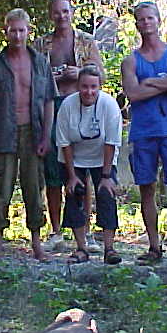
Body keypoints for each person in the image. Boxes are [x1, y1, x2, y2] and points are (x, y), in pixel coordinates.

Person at [0, 8, 55, 261]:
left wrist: (46, 135)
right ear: (6, 32)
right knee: (1, 188)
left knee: (34, 187)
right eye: (13, 30)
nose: (17, 35)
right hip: (3, 132)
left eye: (21, 30)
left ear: (28, 31)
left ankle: (36, 242)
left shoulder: (40, 62)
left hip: (33, 132)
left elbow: (48, 101)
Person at [34, 0, 106, 254]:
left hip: (81, 109)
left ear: (71, 12)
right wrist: (51, 76)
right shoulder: (41, 44)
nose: (61, 16)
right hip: (52, 110)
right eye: (56, 12)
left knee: (82, 170)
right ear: (50, 15)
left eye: (65, 11)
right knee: (53, 171)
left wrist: (79, 74)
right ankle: (55, 231)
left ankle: (84, 231)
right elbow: (33, 79)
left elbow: (102, 74)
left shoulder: (87, 41)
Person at [121, 1, 167, 264]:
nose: (146, 23)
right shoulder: (131, 60)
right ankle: (154, 246)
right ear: (137, 24)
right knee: (146, 189)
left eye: (150, 18)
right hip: (143, 132)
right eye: (141, 19)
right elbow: (133, 93)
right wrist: (165, 84)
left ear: (159, 20)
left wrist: (151, 82)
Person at [56, 66, 123, 265]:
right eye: (84, 87)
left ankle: (109, 248)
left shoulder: (109, 106)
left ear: (100, 87)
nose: (89, 92)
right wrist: (72, 176)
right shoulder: (68, 105)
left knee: (106, 194)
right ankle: (81, 248)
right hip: (73, 157)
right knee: (74, 193)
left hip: (102, 157)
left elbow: (111, 142)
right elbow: (64, 142)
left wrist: (106, 176)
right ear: (78, 86)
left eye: (93, 87)